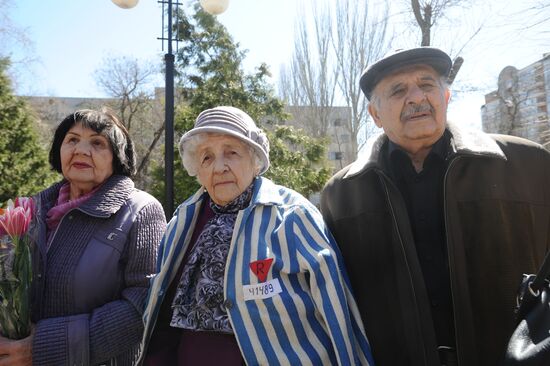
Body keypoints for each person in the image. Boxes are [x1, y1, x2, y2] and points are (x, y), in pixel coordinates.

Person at [320, 47, 550, 366]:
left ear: (446, 97)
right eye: (398, 90)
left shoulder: (529, 163)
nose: (416, 97)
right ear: (374, 114)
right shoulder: (342, 194)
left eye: (427, 84)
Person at [137, 106, 373, 365]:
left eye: (232, 152)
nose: (219, 167)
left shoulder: (292, 214)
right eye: (206, 157)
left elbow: (335, 305)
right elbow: (161, 315)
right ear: (198, 169)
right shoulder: (183, 220)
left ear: (254, 159)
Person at [0, 109, 167, 365]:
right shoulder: (32, 209)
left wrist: (44, 346)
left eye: (98, 143)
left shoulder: (141, 211)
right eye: (72, 140)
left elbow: (144, 303)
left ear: (117, 157)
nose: (81, 150)